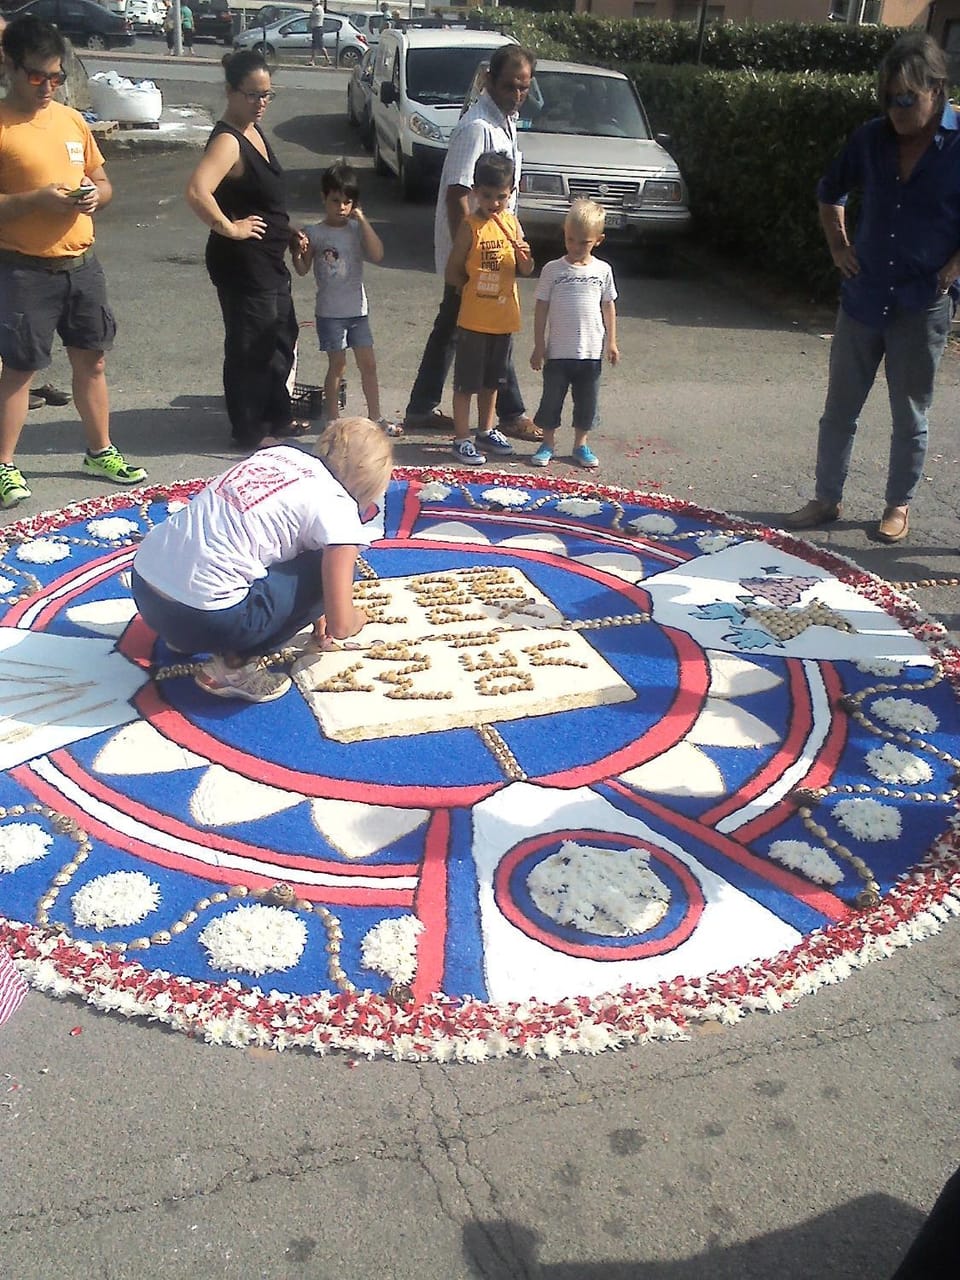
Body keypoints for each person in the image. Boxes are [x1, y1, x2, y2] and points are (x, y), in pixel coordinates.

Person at [783, 31, 960, 545]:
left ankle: (896, 505)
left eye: (907, 98)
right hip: (863, 298)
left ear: (936, 89)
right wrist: (839, 246)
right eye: (888, 98)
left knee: (910, 414)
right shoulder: (870, 138)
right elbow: (829, 191)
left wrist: (955, 265)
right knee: (840, 407)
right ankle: (826, 497)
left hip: (921, 302)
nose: (897, 110)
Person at [131, 417, 392, 703]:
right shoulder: (338, 506)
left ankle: (182, 639)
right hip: (204, 618)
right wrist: (357, 618)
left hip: (146, 588)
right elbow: (341, 626)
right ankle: (233, 667)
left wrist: (313, 612)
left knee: (250, 549)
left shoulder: (279, 455)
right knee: (326, 566)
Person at [0, 16, 146, 510]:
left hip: (81, 265)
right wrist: (35, 200)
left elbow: (103, 183)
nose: (47, 87)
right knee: (20, 368)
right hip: (23, 267)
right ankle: (5, 465)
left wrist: (92, 198)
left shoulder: (71, 120)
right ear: (11, 68)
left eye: (56, 77)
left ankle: (99, 451)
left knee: (92, 359)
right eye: (37, 77)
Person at [402, 43, 541, 444]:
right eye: (511, 86)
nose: (518, 95)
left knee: (457, 328)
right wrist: (469, 255)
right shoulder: (477, 126)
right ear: (490, 81)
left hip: (495, 250)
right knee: (488, 327)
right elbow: (457, 193)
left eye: (525, 88)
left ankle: (421, 407)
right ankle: (510, 413)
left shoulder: (505, 121)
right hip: (474, 257)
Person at [186, 50, 303, 450]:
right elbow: (197, 191)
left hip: (269, 258)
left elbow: (262, 199)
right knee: (251, 346)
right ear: (230, 92)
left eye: (268, 94)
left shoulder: (253, 129)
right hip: (243, 262)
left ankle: (277, 415)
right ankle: (250, 429)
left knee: (280, 337)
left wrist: (287, 231)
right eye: (253, 95)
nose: (261, 103)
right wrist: (230, 228)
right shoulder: (227, 140)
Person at [292, 162, 401, 437]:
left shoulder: (355, 229)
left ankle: (375, 416)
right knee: (337, 365)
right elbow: (303, 269)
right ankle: (333, 419)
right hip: (329, 312)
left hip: (357, 310)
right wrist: (296, 250)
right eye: (335, 200)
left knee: (369, 364)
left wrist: (362, 220)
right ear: (324, 198)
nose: (341, 207)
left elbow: (377, 254)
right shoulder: (315, 232)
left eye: (347, 202)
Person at [445, 151, 533, 465]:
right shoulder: (470, 226)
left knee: (492, 382)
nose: (494, 203)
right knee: (466, 383)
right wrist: (467, 289)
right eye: (487, 196)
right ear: (475, 191)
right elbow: (453, 268)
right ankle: (461, 437)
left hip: (503, 318)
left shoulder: (512, 223)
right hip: (474, 320)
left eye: (502, 197)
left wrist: (524, 256)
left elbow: (525, 269)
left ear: (511, 194)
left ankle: (485, 429)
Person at [529, 199, 619, 471]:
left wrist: (612, 342)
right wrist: (538, 345)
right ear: (564, 233)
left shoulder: (602, 271)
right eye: (570, 239)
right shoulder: (552, 270)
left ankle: (581, 444)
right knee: (551, 400)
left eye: (584, 242)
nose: (576, 247)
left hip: (590, 352)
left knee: (587, 402)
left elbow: (608, 306)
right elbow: (541, 308)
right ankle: (547, 443)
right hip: (558, 351)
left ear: (598, 240)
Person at [309, 0, 330, 67]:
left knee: (321, 46)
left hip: (318, 29)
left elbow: (312, 16)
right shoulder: (318, 8)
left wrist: (312, 12)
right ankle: (312, 61)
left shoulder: (317, 9)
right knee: (314, 46)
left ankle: (328, 60)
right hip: (316, 29)